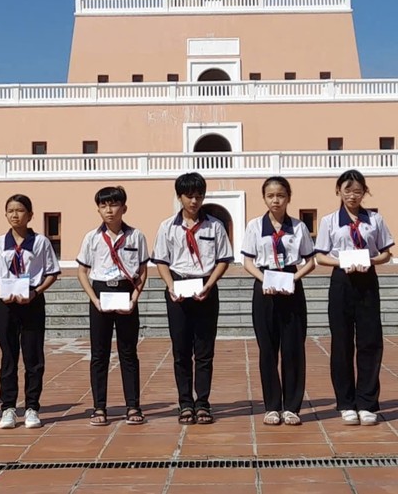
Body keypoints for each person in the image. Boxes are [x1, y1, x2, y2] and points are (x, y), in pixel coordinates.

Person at [152, 172, 233, 426]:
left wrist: (209, 284)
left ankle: (203, 403)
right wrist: (170, 286)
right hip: (178, 290)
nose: (194, 201)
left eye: (199, 196)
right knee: (181, 351)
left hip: (205, 287)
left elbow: (223, 260)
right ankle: (185, 402)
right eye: (189, 196)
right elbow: (162, 261)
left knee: (205, 351)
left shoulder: (215, 226)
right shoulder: (167, 227)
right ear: (179, 197)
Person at [314, 169, 394, 426]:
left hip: (367, 281)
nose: (352, 195)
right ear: (338, 191)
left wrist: (369, 260)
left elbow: (386, 253)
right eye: (347, 190)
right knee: (342, 343)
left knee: (370, 341)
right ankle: (346, 403)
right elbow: (320, 255)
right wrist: (341, 262)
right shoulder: (329, 221)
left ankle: (368, 402)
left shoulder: (375, 219)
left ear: (365, 192)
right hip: (342, 282)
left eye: (358, 190)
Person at [241, 176, 316, 427]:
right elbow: (247, 262)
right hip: (265, 286)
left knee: (293, 347)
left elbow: (310, 261)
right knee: (268, 348)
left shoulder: (299, 227)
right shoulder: (254, 226)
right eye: (271, 195)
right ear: (264, 198)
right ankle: (272, 406)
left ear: (289, 197)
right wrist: (265, 280)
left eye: (281, 195)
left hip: (291, 285)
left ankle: (292, 407)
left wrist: (293, 279)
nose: (276, 200)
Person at [0, 194, 60, 430]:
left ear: (30, 215)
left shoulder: (40, 243)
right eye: (10, 211)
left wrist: (36, 293)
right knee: (8, 356)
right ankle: (7, 407)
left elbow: (51, 273)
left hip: (32, 302)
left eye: (20, 210)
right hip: (6, 305)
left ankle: (32, 407)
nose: (15, 215)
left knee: (33, 357)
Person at [76, 186, 150, 427]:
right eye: (103, 205)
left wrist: (134, 299)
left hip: (125, 293)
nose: (109, 210)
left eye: (114, 204)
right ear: (98, 209)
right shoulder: (92, 238)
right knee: (99, 354)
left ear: (124, 208)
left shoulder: (136, 235)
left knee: (129, 353)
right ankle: (99, 407)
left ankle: (133, 405)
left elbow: (142, 270)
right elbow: (82, 270)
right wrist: (94, 299)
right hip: (100, 294)